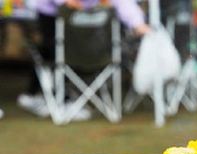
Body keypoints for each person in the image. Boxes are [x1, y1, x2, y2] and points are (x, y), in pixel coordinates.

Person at [17, 0, 149, 118]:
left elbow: (124, 4)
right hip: (55, 19)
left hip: (92, 39)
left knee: (76, 53)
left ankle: (65, 97)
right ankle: (58, 97)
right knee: (54, 53)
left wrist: (138, 24)